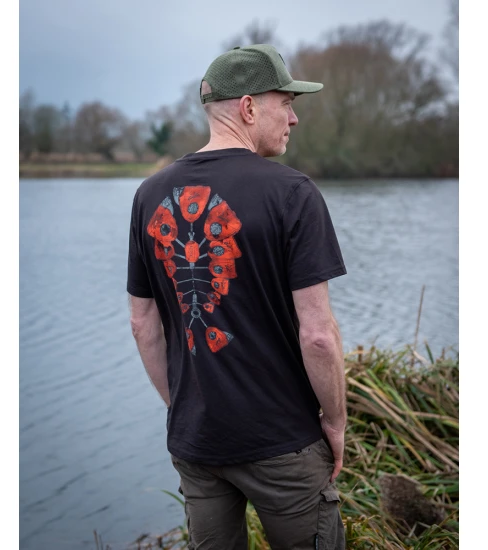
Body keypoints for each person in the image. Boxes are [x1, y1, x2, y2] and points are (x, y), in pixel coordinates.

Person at [127, 44, 347, 550]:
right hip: (283, 442)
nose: (294, 118)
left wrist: (185, 407)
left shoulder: (148, 195)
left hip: (197, 443)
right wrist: (335, 420)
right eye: (286, 103)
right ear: (249, 108)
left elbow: (142, 325)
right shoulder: (293, 194)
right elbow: (317, 335)